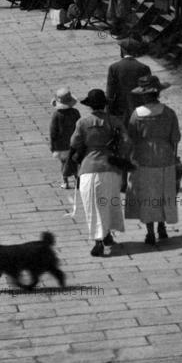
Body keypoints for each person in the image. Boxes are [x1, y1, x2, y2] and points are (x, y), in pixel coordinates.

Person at [124, 75, 181, 245]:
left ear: (143, 95)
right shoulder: (169, 113)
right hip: (165, 157)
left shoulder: (137, 114)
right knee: (164, 193)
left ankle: (150, 232)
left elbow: (131, 138)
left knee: (147, 196)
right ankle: (162, 226)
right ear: (158, 93)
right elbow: (175, 138)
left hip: (144, 158)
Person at [70, 89, 126, 256]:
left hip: (89, 168)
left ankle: (98, 241)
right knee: (108, 203)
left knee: (92, 206)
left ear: (90, 106)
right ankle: (107, 235)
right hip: (111, 168)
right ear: (104, 104)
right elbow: (126, 142)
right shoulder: (114, 121)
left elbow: (74, 142)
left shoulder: (82, 122)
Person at [106, 38, 151, 125]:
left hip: (120, 108)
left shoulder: (114, 67)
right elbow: (148, 91)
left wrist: (108, 111)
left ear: (122, 50)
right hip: (139, 107)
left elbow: (110, 92)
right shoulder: (144, 68)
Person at [49, 87, 80, 189]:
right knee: (74, 162)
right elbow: (79, 127)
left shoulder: (57, 115)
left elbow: (53, 132)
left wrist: (52, 146)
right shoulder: (75, 112)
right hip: (74, 143)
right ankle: (77, 180)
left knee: (64, 163)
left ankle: (65, 182)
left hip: (61, 145)